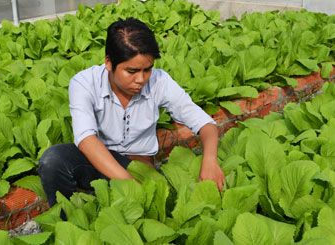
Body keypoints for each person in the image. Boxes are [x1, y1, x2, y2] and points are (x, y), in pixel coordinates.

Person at [38, 17, 225, 208]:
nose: (141, 79)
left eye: (147, 70)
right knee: (52, 160)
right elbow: (86, 139)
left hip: (136, 164)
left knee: (158, 206)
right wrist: (129, 184)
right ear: (109, 63)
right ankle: (66, 224)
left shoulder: (160, 82)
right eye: (132, 71)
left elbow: (204, 123)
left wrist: (210, 161)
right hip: (95, 161)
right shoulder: (84, 83)